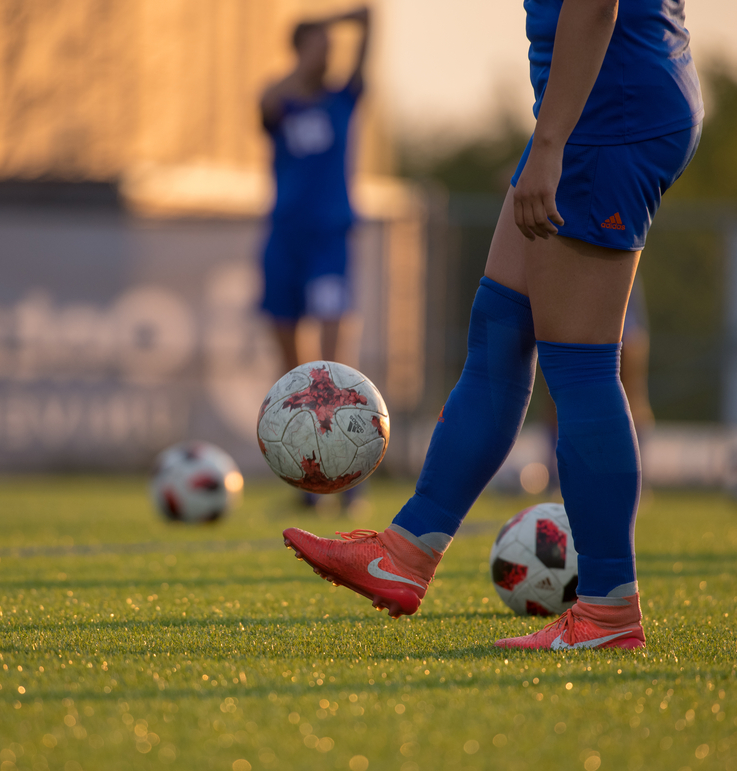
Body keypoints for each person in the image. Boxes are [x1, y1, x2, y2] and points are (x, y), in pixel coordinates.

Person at [283, 0, 702, 651]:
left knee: (581, 366)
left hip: (607, 117)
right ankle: (405, 551)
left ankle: (608, 612)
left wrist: (555, 142)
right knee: (499, 337)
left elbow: (595, 5)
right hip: (596, 111)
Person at [259, 5, 370, 511]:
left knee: (332, 364)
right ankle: (305, 472)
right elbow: (265, 107)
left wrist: (340, 18)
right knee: (290, 367)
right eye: (319, 45)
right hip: (284, 239)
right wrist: (309, 46)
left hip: (330, 239)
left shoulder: (343, 99)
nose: (329, 54)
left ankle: (350, 471)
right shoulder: (279, 99)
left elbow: (370, 25)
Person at [546, 273, 653, 493]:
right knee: (563, 399)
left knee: (629, 399)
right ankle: (563, 476)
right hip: (619, 325)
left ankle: (631, 479)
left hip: (615, 326)